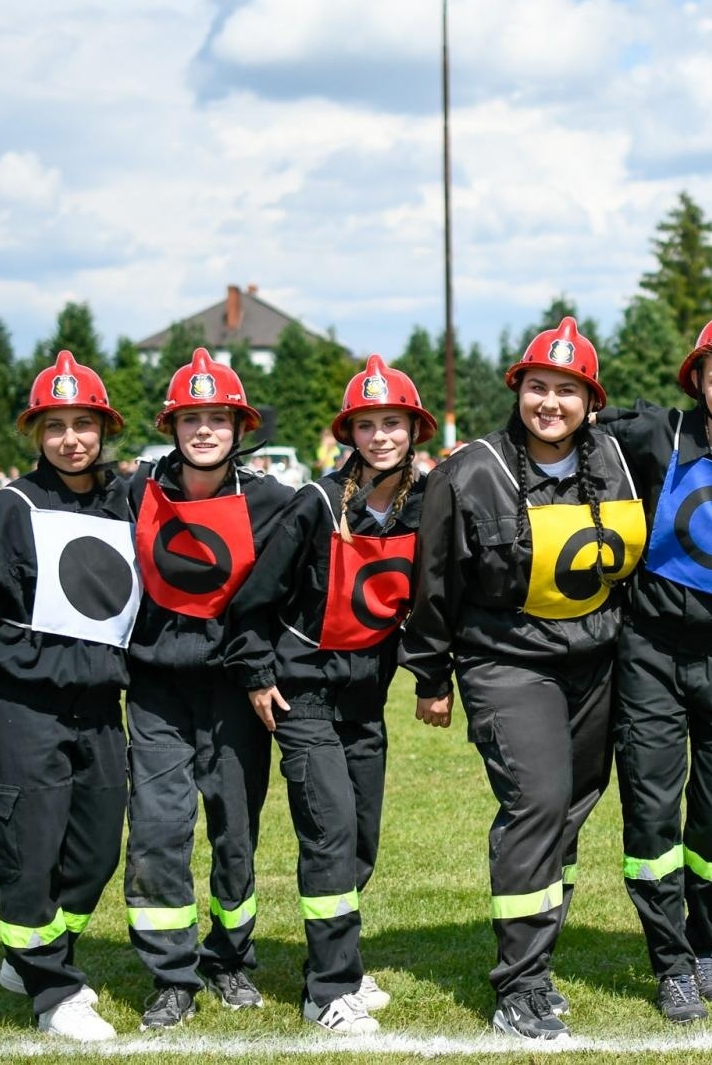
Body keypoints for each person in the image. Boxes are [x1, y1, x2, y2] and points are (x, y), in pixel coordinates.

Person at [403, 318, 646, 1041]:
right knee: (536, 803)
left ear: (591, 401)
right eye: (539, 386)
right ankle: (518, 987)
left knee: (569, 810)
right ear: (518, 390)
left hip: (595, 662)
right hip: (506, 660)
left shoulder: (619, 459)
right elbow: (435, 578)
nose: (551, 403)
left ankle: (538, 964)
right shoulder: (470, 469)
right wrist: (429, 673)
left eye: (567, 391)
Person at [0, 350, 138, 1041]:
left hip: (102, 711)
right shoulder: (9, 508)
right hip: (20, 708)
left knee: (97, 851)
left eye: (83, 423)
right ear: (36, 434)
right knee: (28, 850)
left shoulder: (124, 502)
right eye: (54, 426)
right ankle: (52, 992)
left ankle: (35, 954)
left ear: (104, 430)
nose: (70, 438)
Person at [225, 354, 435, 1036]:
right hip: (303, 697)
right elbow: (252, 600)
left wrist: (433, 679)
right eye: (367, 424)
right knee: (330, 831)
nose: (380, 435)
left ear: (413, 428)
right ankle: (327, 989)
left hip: (364, 703)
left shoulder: (426, 503)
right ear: (351, 432)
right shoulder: (313, 503)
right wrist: (258, 674)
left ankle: (339, 952)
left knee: (361, 841)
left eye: (393, 423)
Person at [596, 302, 712, 1023]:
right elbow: (575, 425)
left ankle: (707, 938)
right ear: (697, 380)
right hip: (651, 654)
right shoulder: (657, 434)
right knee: (650, 813)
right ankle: (671, 961)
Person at [121, 349, 294, 1030]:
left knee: (235, 830)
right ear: (172, 426)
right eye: (190, 418)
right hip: (157, 689)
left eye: (216, 418)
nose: (203, 430)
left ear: (238, 427)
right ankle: (171, 974)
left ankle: (227, 960)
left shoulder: (274, 503)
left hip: (234, 694)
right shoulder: (133, 493)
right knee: (160, 831)